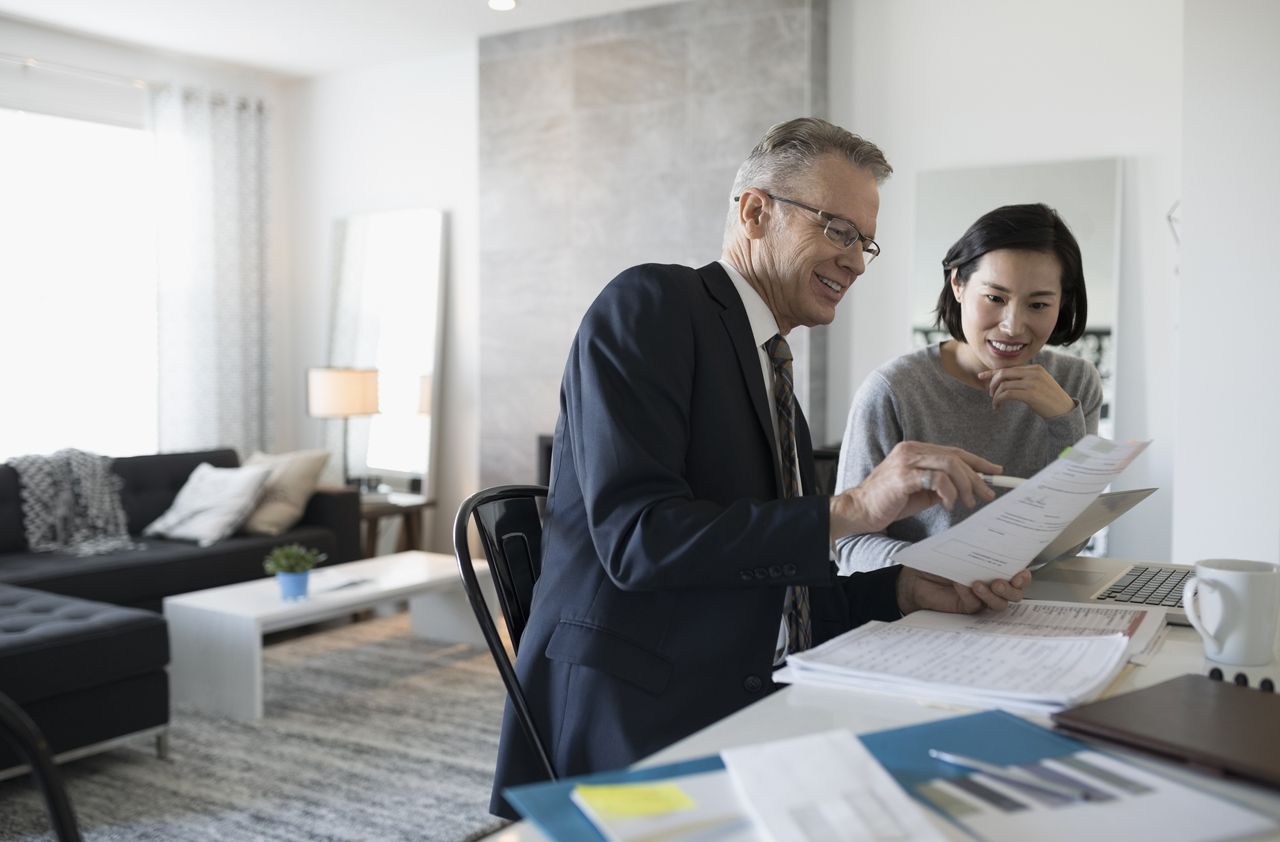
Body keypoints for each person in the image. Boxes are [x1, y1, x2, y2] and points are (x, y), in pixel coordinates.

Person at [490, 118, 1031, 817]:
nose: (858, 262)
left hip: (753, 695)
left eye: (865, 242)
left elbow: (779, 586)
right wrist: (853, 508)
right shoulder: (653, 305)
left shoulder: (771, 376)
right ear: (754, 211)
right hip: (633, 716)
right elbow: (640, 540)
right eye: (838, 230)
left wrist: (905, 590)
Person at [834, 203, 1103, 573]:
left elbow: (1072, 543)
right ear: (958, 283)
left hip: (1033, 605)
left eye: (1038, 304)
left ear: (1063, 304)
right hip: (922, 612)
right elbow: (848, 543)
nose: (1013, 326)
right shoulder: (892, 391)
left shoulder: (1075, 384)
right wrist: (942, 576)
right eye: (995, 298)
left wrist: (1064, 421)